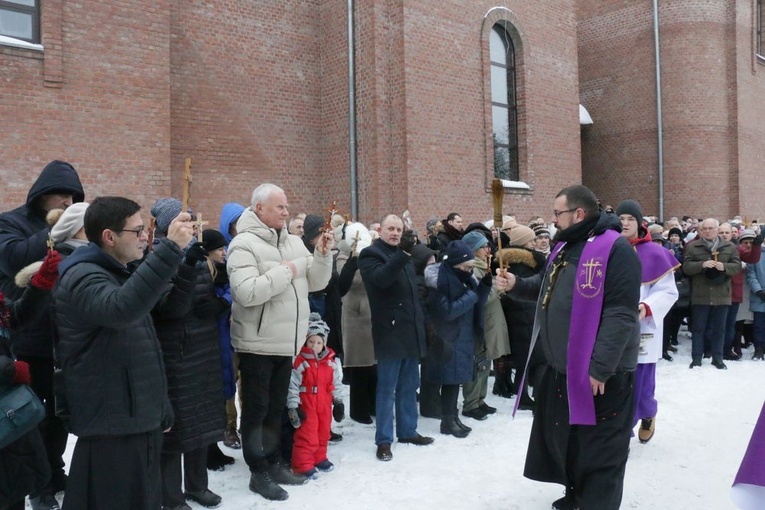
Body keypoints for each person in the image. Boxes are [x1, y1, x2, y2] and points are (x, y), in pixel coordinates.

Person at [505, 185, 641, 510]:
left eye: (557, 213)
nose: (554, 220)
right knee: (570, 443)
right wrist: (517, 285)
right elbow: (546, 288)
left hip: (600, 376)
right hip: (563, 369)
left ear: (578, 214)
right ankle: (576, 497)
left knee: (600, 453)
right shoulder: (565, 248)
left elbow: (620, 313)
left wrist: (600, 367)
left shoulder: (616, 250)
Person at [55, 196, 194, 510]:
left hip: (134, 415)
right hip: (110, 422)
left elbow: (141, 349)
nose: (145, 236)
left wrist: (160, 405)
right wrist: (170, 249)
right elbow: (121, 310)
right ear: (109, 236)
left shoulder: (120, 271)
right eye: (137, 230)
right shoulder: (82, 276)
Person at [226, 183, 333, 502]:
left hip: (287, 342)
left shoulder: (293, 242)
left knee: (275, 409)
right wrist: (287, 271)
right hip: (257, 342)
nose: (286, 212)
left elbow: (316, 282)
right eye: (280, 207)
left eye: (287, 207)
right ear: (259, 209)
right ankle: (257, 470)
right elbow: (246, 293)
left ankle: (273, 461)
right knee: (257, 411)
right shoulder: (243, 244)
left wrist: (322, 255)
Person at [0, 160, 84, 510]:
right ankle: (38, 485)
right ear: (41, 194)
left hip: (63, 335)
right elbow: (12, 258)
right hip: (27, 337)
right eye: (60, 196)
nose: (66, 203)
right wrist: (54, 233)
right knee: (30, 413)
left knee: (60, 412)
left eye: (72, 198)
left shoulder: (75, 225)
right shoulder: (10, 222)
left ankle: (55, 470)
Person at [149, 198, 227, 510]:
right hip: (176, 352)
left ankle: (198, 485)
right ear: (170, 227)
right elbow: (171, 309)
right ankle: (172, 496)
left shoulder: (197, 256)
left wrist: (218, 303)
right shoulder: (158, 258)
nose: (193, 229)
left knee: (201, 422)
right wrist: (186, 266)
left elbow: (202, 299)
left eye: (193, 223)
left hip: (202, 347)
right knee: (176, 429)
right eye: (186, 223)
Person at [358, 215, 433, 462]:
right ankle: (383, 440)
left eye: (399, 229)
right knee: (387, 389)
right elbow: (381, 280)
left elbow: (412, 291)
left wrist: (421, 322)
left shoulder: (405, 255)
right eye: (391, 228)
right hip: (389, 330)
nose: (395, 233)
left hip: (409, 330)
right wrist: (402, 253)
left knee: (410, 385)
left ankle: (408, 431)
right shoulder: (370, 254)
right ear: (380, 230)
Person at [0, 249, 61, 510]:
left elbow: (14, 317)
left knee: (12, 483)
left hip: (5, 408)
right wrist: (8, 370)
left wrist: (40, 284)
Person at [615, 200, 679, 444]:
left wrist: (647, 306)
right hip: (612, 329)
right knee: (616, 383)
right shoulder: (606, 251)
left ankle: (648, 414)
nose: (625, 223)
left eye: (630, 219)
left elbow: (669, 291)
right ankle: (621, 430)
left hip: (644, 327)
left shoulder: (655, 253)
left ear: (640, 223)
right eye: (621, 219)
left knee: (641, 384)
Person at [423, 240, 492, 437]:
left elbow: (477, 302)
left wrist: (484, 288)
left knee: (456, 381)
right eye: (465, 267)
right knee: (449, 382)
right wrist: (472, 296)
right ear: (454, 266)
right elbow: (448, 312)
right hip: (447, 339)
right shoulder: (440, 284)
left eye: (470, 266)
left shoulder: (465, 279)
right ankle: (447, 420)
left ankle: (453, 417)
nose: (469, 270)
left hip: (462, 337)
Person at [286, 313, 344, 478]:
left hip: (324, 403)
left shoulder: (330, 361)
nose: (314, 345)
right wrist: (293, 405)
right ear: (305, 341)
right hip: (307, 403)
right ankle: (302, 464)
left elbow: (336, 383)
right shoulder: (300, 361)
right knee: (307, 434)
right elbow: (293, 384)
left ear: (324, 343)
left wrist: (338, 401)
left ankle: (319, 458)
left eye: (319, 342)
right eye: (311, 341)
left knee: (323, 432)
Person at [497, 224, 549, 411]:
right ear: (523, 242)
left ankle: (524, 394)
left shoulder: (509, 261)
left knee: (523, 360)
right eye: (532, 240)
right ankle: (529, 395)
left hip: (518, 316)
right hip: (526, 314)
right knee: (536, 358)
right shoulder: (528, 263)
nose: (535, 243)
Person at [460, 231, 508, 421]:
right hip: (481, 320)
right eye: (483, 247)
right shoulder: (472, 269)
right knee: (477, 361)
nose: (488, 249)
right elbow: (481, 297)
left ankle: (480, 400)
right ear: (473, 250)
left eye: (488, 246)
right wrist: (497, 286)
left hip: (489, 320)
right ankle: (471, 403)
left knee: (485, 362)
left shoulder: (484, 266)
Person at [683, 218, 741, 369]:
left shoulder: (730, 246)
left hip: (722, 294)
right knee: (698, 328)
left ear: (717, 229)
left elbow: (737, 266)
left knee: (719, 329)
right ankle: (696, 358)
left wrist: (724, 266)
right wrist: (701, 264)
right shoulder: (693, 247)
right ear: (701, 231)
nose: (708, 231)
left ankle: (718, 358)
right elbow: (686, 267)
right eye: (705, 229)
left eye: (711, 228)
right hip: (700, 294)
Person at [335, 222, 376, 424]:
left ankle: (373, 404)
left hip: (370, 313)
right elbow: (350, 282)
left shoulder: (370, 254)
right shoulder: (343, 256)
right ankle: (358, 410)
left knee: (373, 364)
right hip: (355, 315)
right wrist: (357, 260)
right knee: (360, 364)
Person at [217, 203, 245, 450]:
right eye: (236, 222)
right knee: (228, 373)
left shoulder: (249, 246)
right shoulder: (221, 252)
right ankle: (229, 425)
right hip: (226, 324)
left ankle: (248, 423)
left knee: (247, 376)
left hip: (247, 324)